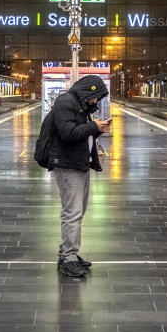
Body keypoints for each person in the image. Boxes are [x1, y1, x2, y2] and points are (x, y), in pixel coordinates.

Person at [45, 74, 111, 277]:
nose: (95, 102)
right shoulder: (66, 102)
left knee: (78, 211)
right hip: (67, 164)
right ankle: (68, 259)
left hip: (78, 163)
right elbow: (68, 133)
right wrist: (94, 126)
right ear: (88, 90)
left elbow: (80, 134)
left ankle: (68, 253)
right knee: (72, 213)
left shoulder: (80, 105)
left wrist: (97, 130)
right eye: (95, 97)